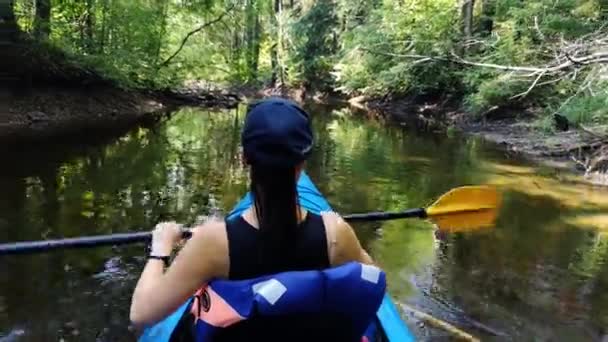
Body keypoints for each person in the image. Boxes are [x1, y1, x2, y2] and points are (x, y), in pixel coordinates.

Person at [130, 97, 376, 341]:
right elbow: (373, 275)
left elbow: (141, 314)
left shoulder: (213, 243)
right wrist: (338, 226)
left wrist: (160, 250)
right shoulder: (335, 234)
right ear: (302, 161)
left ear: (244, 157)